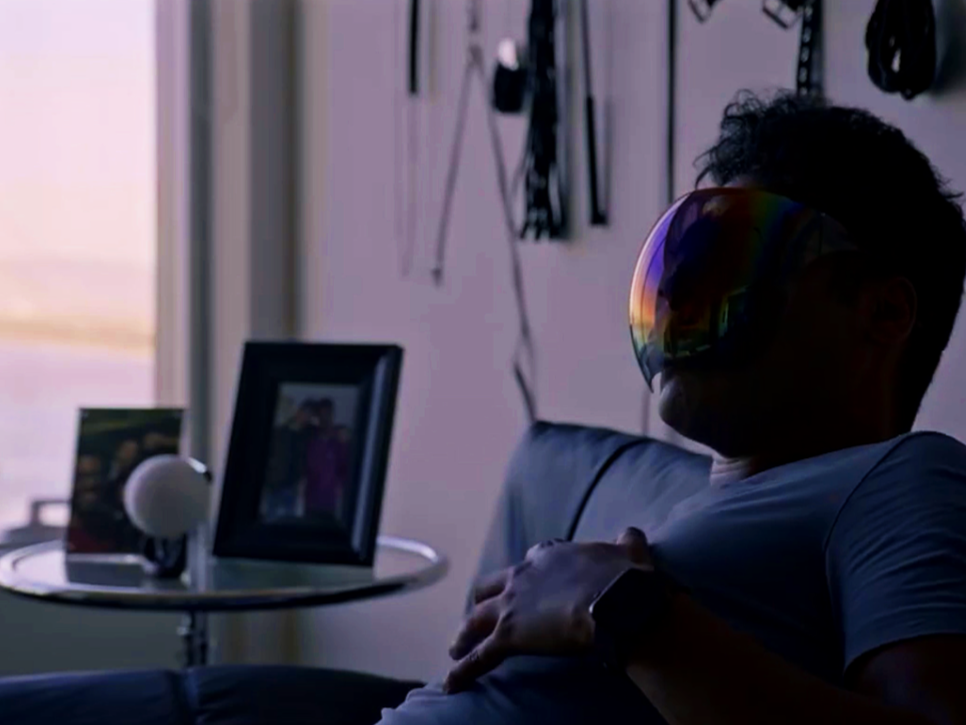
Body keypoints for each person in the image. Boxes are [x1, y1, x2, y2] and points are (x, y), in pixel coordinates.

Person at [379, 92, 966, 724]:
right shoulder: (713, 515)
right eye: (684, 259)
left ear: (884, 313)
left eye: (732, 258)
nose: (680, 288)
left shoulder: (908, 478)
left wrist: (616, 606)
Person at [262, 400, 315, 520]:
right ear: (299, 412)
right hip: (274, 483)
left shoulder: (307, 434)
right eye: (305, 413)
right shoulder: (280, 432)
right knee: (270, 519)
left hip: (291, 485)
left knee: (286, 520)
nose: (305, 417)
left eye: (309, 415)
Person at [303, 398, 349, 519]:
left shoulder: (338, 441)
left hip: (330, 500)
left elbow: (344, 465)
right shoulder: (310, 438)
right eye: (322, 414)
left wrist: (340, 484)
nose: (325, 418)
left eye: (328, 414)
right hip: (311, 498)